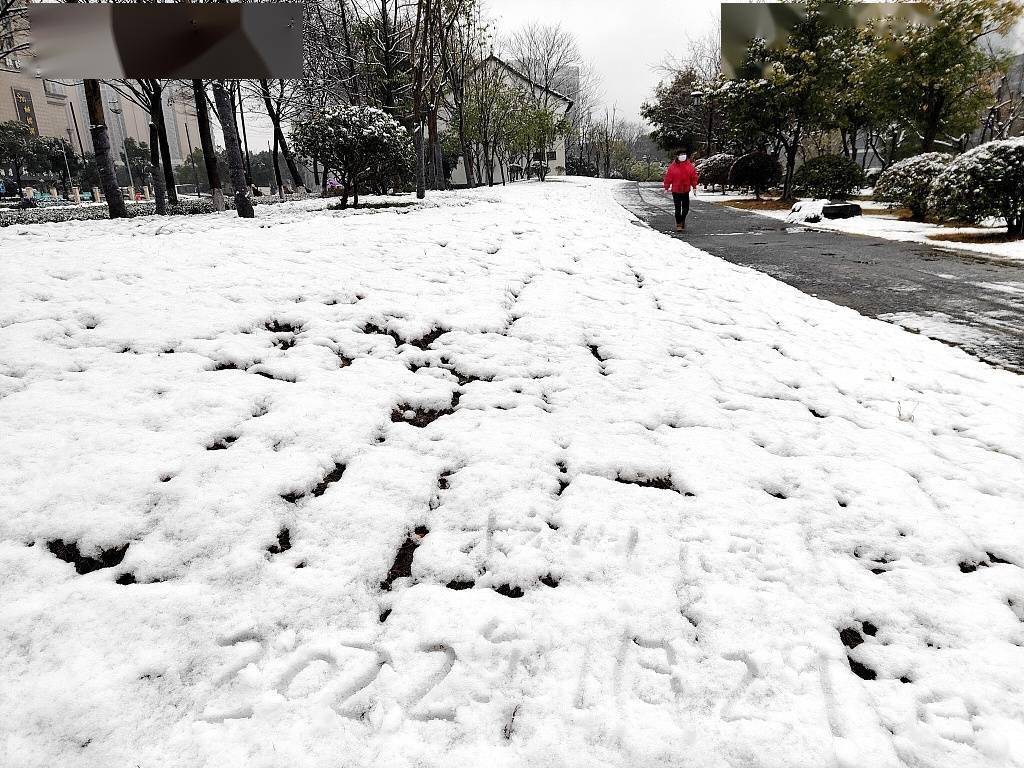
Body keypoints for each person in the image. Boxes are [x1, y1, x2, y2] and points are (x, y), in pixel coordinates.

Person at [663, 150, 699, 232]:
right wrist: (666, 187)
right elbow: (668, 177)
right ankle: (679, 224)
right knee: (678, 208)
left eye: (684, 154)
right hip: (676, 190)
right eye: (681, 154)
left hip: (685, 190)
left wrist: (694, 187)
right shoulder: (673, 167)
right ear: (677, 156)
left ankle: (682, 219)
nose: (683, 156)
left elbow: (693, 177)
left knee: (686, 208)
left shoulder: (689, 166)